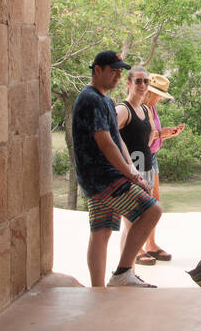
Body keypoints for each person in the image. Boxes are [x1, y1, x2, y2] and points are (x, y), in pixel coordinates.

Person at [71, 50, 162, 288]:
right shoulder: (91, 99)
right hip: (103, 177)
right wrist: (128, 173)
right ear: (97, 70)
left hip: (101, 178)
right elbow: (105, 141)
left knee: (101, 232)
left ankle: (98, 290)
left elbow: (116, 139)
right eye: (113, 71)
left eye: (120, 72)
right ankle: (123, 272)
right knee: (152, 211)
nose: (117, 76)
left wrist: (131, 169)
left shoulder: (104, 100)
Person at [115, 66, 165, 267]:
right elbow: (110, 136)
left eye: (146, 81)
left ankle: (127, 270)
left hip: (146, 168)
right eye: (138, 81)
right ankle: (127, 270)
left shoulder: (145, 110)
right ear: (128, 84)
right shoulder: (122, 110)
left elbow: (149, 136)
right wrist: (126, 165)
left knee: (134, 224)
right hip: (130, 172)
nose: (143, 85)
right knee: (132, 222)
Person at [139, 72, 184, 261]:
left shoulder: (152, 108)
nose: (159, 99)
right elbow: (139, 137)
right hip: (140, 158)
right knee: (141, 202)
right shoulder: (139, 108)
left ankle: (150, 243)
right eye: (158, 94)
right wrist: (159, 134)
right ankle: (137, 247)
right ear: (149, 92)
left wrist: (167, 134)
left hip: (152, 156)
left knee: (154, 201)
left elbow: (153, 134)